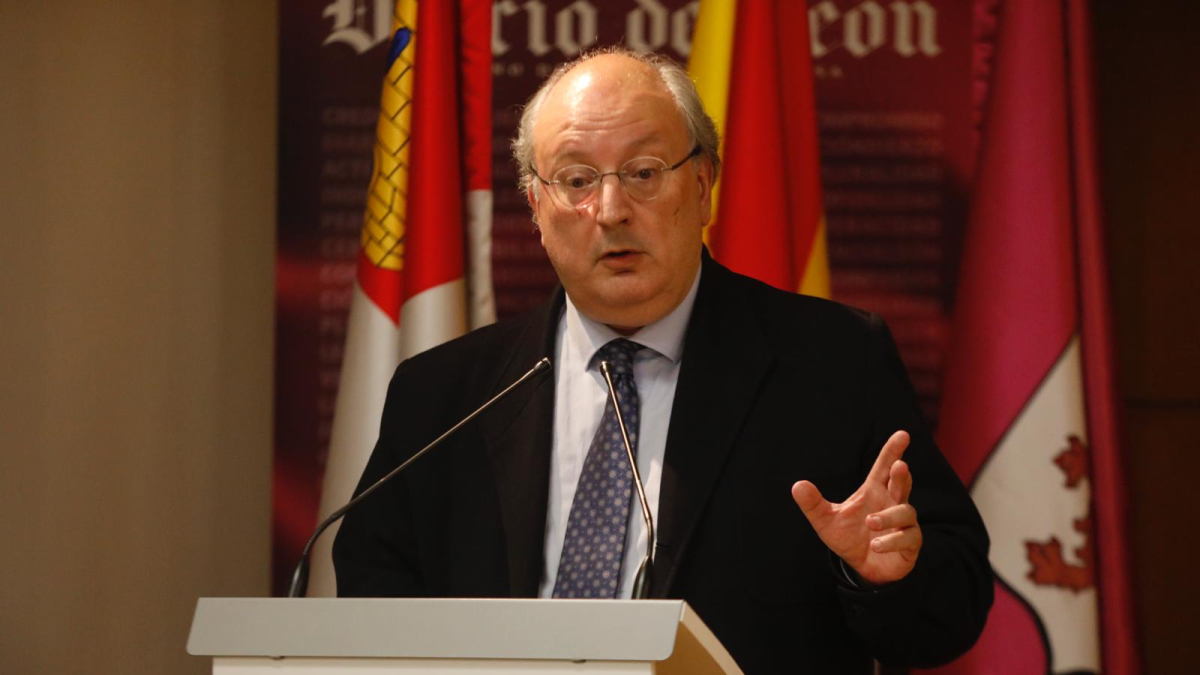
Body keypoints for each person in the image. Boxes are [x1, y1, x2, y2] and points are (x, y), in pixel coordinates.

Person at [333, 48, 992, 674]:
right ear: (536, 206)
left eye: (644, 173)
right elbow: (371, 594)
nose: (612, 210)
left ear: (703, 185)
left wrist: (881, 574)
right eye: (576, 180)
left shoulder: (832, 362)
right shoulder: (444, 394)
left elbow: (954, 605)